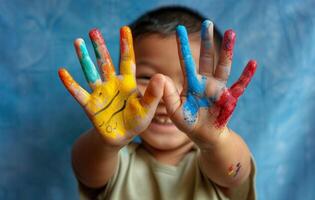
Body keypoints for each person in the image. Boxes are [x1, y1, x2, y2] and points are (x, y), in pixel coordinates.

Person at [58, 6, 257, 200]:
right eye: (146, 77)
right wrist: (106, 144)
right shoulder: (116, 162)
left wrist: (215, 140)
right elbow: (85, 170)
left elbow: (235, 173)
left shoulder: (216, 161)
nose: (165, 93)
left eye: (191, 81)